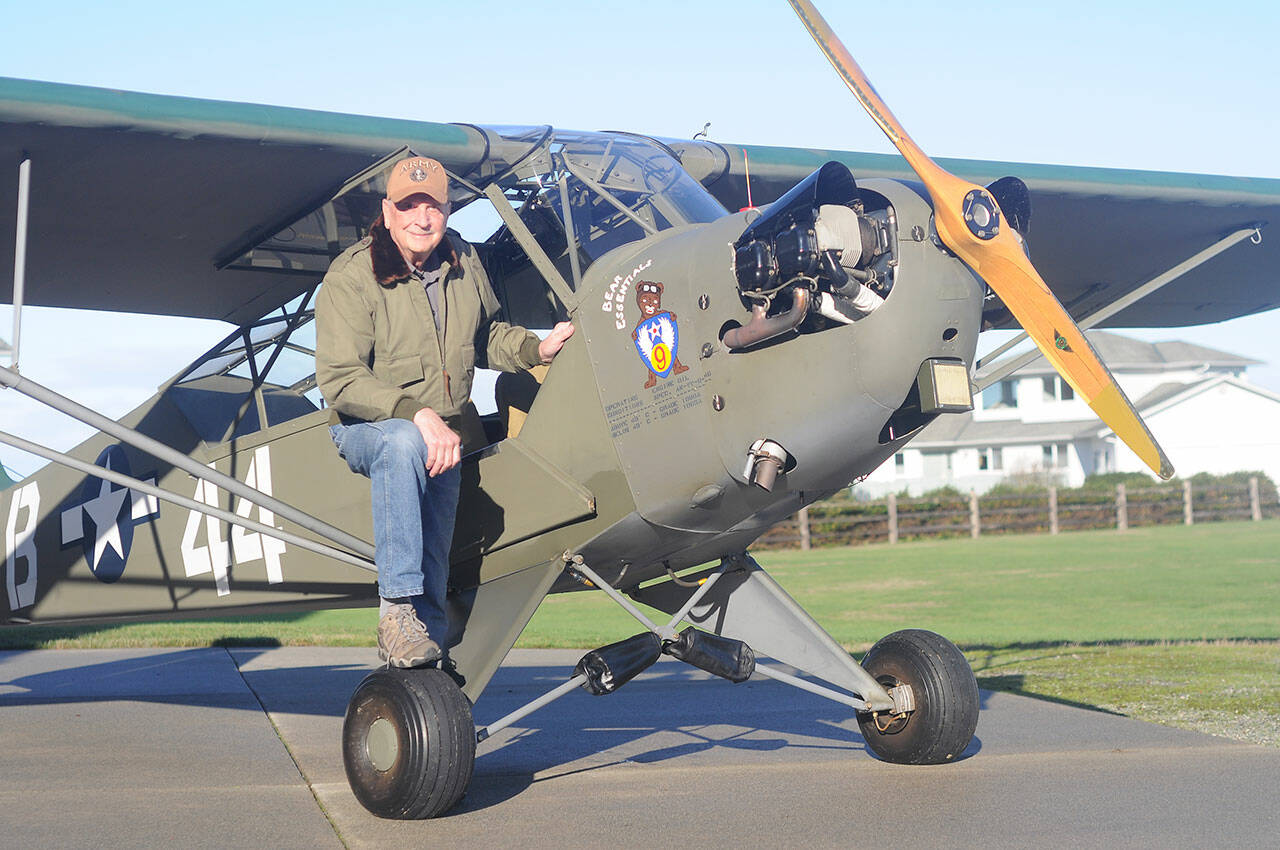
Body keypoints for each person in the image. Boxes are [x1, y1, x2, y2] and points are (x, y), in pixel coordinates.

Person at [315, 156, 573, 668]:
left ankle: (421, 658)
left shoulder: (464, 264)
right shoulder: (352, 276)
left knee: (439, 556)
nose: (420, 216)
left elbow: (486, 337)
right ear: (387, 212)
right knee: (404, 441)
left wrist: (536, 350)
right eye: (408, 205)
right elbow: (339, 378)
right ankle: (396, 613)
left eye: (430, 205)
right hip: (371, 431)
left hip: (446, 434)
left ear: (447, 210)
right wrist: (414, 413)